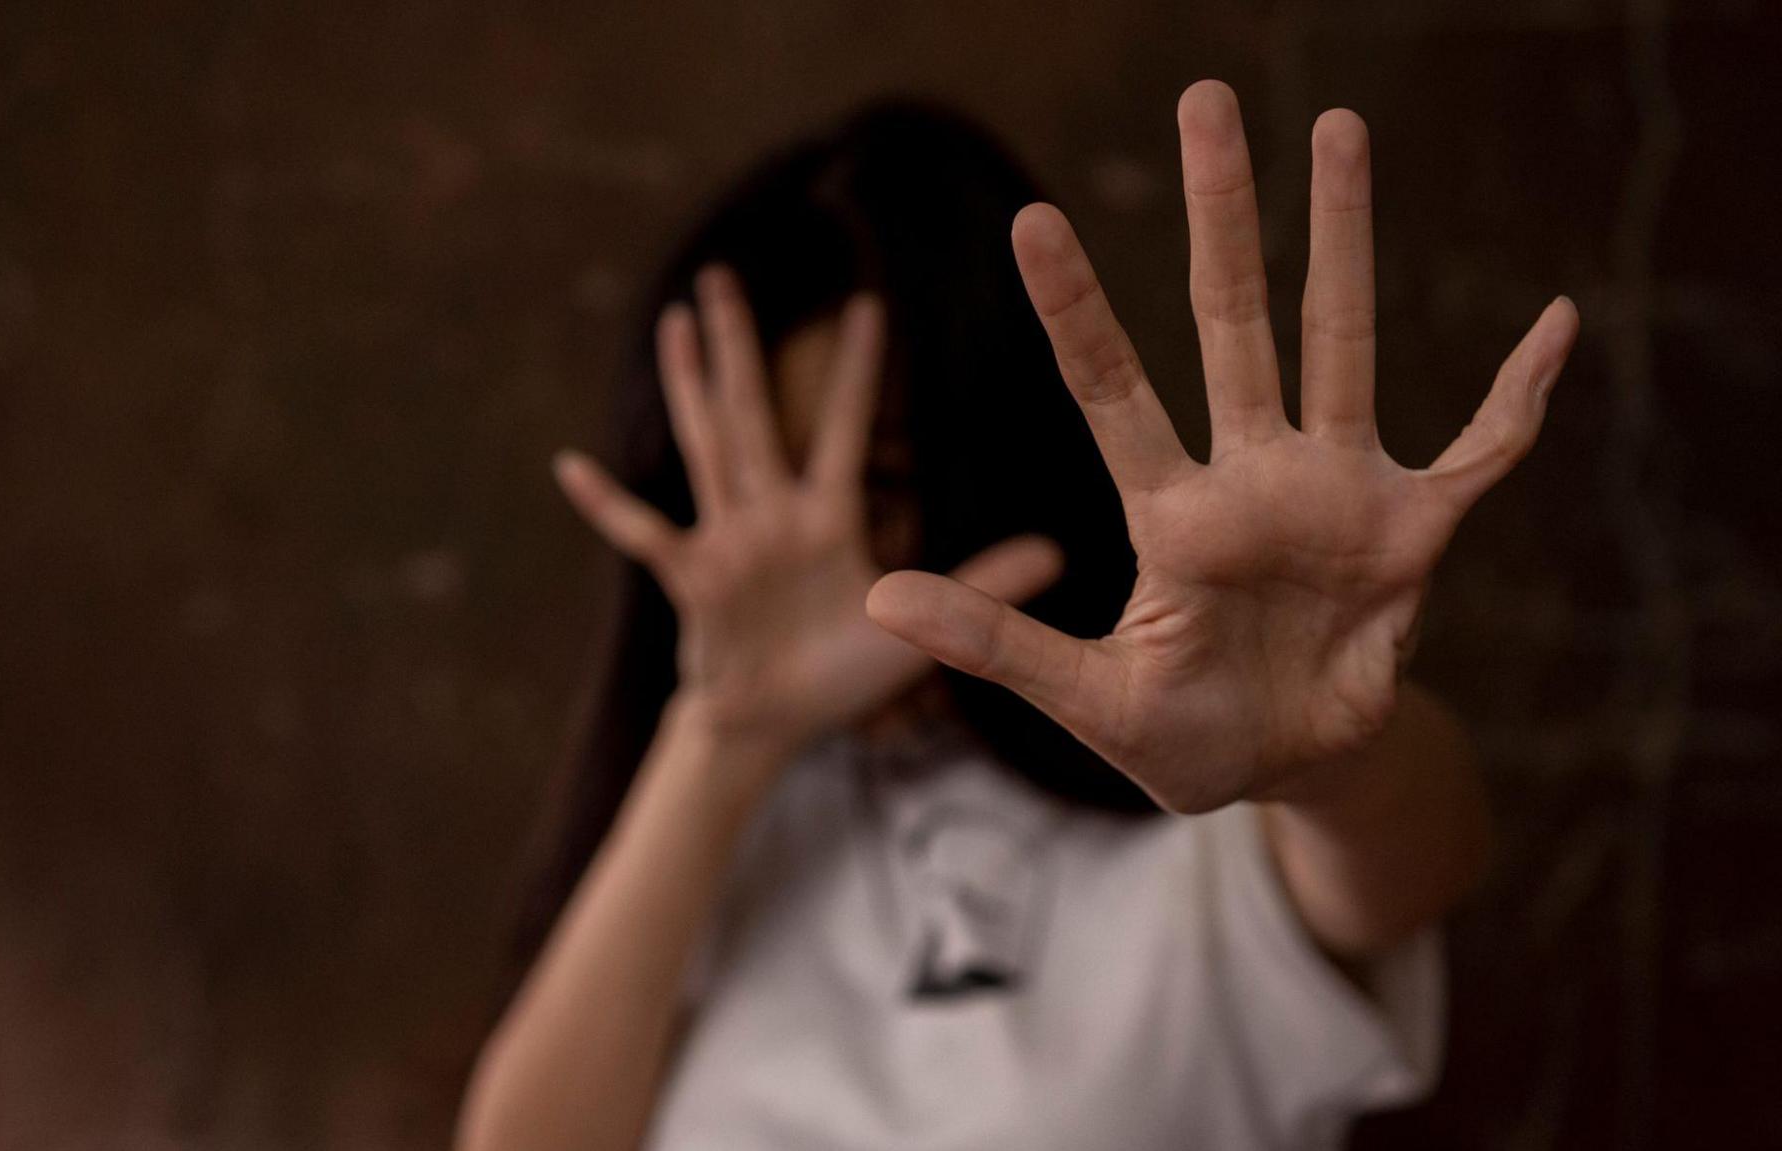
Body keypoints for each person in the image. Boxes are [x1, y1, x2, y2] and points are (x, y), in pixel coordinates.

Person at [458, 80, 1578, 1151]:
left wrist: (1331, 754)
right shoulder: (714, 850)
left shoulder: (1197, 770)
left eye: (881, 482)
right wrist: (722, 734)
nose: (816, 558)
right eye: (756, 488)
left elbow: (1410, 857)